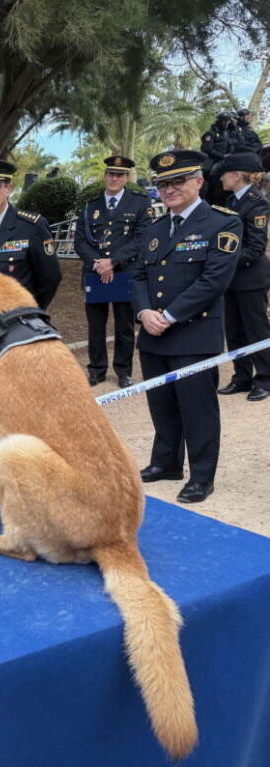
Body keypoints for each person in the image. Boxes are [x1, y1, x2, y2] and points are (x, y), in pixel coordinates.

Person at [133, 150, 242, 504]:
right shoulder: (154, 228)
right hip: (153, 335)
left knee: (198, 410)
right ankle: (166, 463)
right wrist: (144, 313)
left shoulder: (222, 223)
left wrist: (169, 315)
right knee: (162, 405)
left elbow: (214, 281)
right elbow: (138, 277)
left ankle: (201, 476)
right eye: (163, 183)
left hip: (194, 334)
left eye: (178, 181)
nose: (169, 189)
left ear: (198, 181)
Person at [73, 155, 154, 387]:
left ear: (127, 178)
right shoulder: (91, 205)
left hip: (125, 272)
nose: (114, 178)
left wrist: (113, 262)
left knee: (124, 326)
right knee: (96, 326)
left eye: (119, 174)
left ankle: (123, 371)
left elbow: (142, 238)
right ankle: (97, 370)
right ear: (104, 175)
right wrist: (98, 264)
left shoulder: (139, 203)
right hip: (94, 272)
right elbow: (79, 241)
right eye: (110, 173)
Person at [0, 158, 62, 309]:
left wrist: (31, 311)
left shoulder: (31, 226)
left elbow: (50, 277)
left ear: (8, 188)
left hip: (17, 321)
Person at [216, 152, 270, 402]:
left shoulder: (256, 202)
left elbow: (255, 248)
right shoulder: (232, 201)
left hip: (250, 278)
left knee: (256, 330)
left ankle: (265, 378)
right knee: (235, 331)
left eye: (224, 174)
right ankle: (242, 376)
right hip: (232, 279)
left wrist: (222, 260)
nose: (221, 179)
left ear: (236, 175)